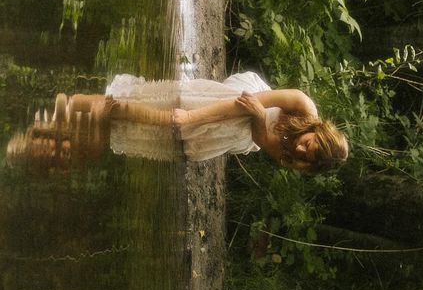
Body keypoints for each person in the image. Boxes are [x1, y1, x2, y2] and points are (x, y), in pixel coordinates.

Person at [5, 72, 348, 174]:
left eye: (306, 155)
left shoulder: (298, 159)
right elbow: (245, 105)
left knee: (125, 126)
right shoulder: (302, 104)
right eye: (309, 142)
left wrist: (258, 121)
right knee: (131, 103)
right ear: (318, 130)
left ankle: (47, 137)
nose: (301, 148)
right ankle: (50, 118)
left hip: (232, 131)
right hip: (228, 103)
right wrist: (191, 117)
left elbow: (264, 138)